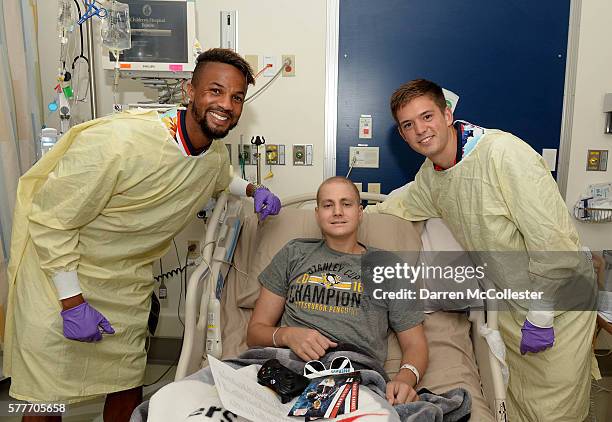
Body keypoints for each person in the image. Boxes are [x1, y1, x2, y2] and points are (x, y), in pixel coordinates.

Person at [3, 48, 281, 421]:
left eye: (236, 97)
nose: (226, 104)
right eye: (215, 91)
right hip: (59, 278)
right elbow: (52, 221)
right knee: (46, 393)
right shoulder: (118, 142)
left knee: (126, 383)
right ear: (189, 91)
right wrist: (71, 302)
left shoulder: (212, 154)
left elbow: (219, 177)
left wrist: (250, 190)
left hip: (124, 285)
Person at [365, 78, 597, 421]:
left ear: (447, 114)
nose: (420, 130)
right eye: (408, 125)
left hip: (559, 306)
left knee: (555, 409)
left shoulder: (504, 155)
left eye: (427, 116)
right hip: (513, 306)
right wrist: (350, 211)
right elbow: (403, 204)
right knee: (517, 402)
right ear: (402, 134)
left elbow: (555, 241)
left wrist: (542, 314)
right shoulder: (433, 175)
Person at [247, 176, 428, 405]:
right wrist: (287, 335)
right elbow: (254, 333)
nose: (337, 212)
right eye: (328, 205)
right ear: (317, 214)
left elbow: (416, 344)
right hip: (286, 366)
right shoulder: (294, 253)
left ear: (360, 212)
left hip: (352, 373)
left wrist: (404, 379)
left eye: (347, 203)